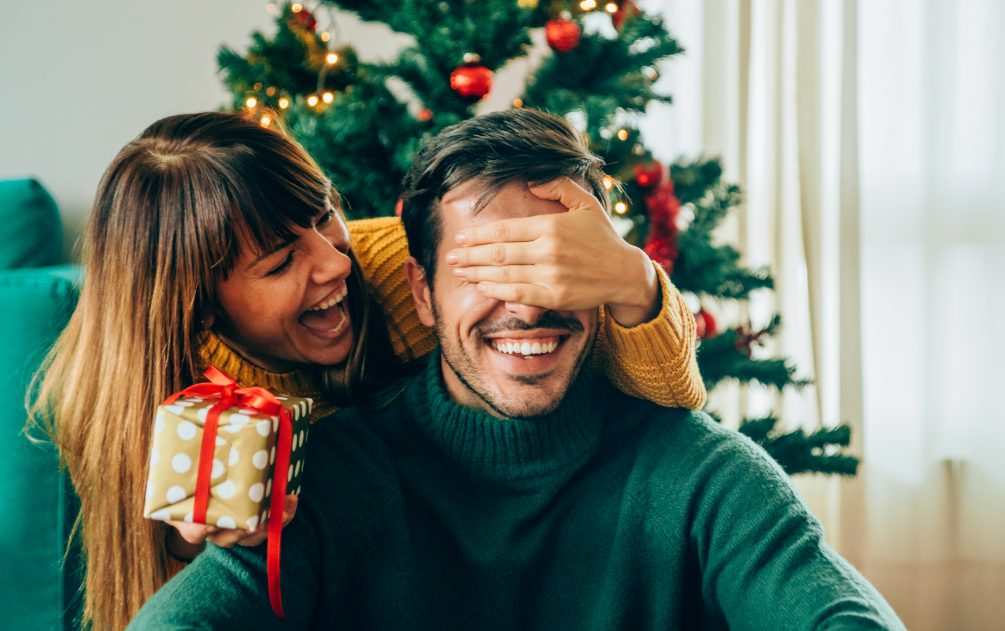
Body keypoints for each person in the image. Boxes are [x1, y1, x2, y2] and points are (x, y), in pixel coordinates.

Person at [128, 108, 904, 630]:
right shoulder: (325, 482)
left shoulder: (699, 474)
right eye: (485, 269)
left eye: (552, 266)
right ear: (421, 293)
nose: (525, 306)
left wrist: (635, 281)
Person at [29, 111, 706, 630]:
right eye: (279, 263)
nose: (333, 264)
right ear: (202, 312)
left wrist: (633, 277)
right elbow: (165, 603)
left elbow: (669, 402)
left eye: (325, 216)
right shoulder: (153, 413)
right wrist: (188, 547)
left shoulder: (406, 272)